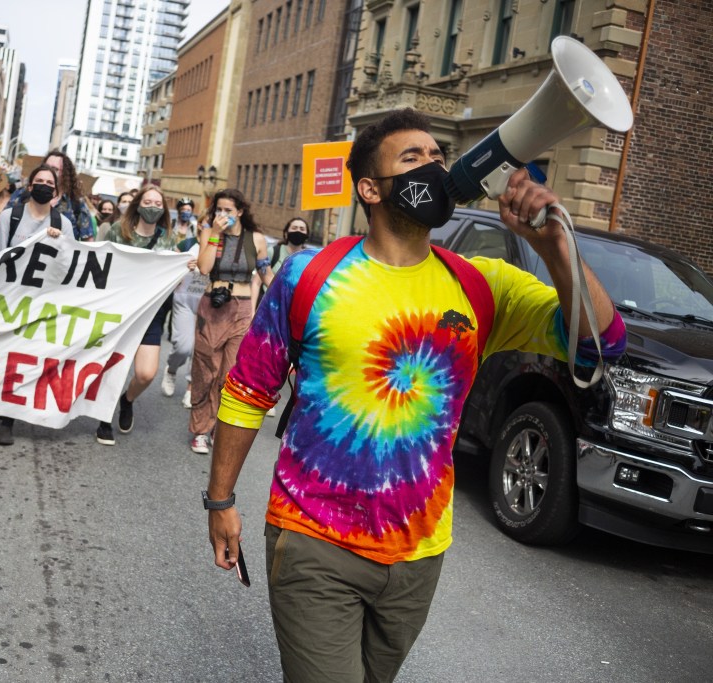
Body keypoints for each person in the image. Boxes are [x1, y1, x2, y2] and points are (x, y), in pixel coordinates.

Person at [204, 109, 626, 682]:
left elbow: (603, 343)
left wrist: (555, 245)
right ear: (370, 188)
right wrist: (220, 501)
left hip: (418, 557)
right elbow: (248, 391)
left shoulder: (480, 285)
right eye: (412, 157)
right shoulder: (309, 274)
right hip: (312, 540)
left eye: (437, 157)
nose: (433, 166)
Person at [0, 165, 73, 446]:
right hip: (10, 299)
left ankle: (11, 413)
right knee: (8, 355)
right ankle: (4, 412)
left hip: (43, 302)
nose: (44, 186)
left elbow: (69, 268)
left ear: (56, 192)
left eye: (49, 183)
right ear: (29, 186)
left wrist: (59, 243)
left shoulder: (64, 224)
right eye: (39, 181)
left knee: (29, 357)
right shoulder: (10, 217)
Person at [188, 188, 274, 455]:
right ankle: (200, 429)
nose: (222, 214)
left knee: (229, 374)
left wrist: (284, 294)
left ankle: (217, 426)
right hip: (211, 308)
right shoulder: (209, 232)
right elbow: (204, 268)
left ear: (240, 212)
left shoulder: (256, 239)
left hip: (241, 309)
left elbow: (265, 273)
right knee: (205, 370)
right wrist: (215, 232)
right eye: (219, 209)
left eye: (228, 210)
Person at [96, 184, 181, 446]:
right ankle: (103, 417)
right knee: (114, 367)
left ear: (163, 209)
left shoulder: (169, 239)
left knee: (146, 374)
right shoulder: (118, 231)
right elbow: (100, 262)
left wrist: (182, 267)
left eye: (158, 203)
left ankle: (127, 399)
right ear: (138, 205)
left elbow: (175, 280)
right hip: (119, 309)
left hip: (151, 313)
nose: (152, 207)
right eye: (148, 202)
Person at [160, 228, 208, 409]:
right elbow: (169, 267)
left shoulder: (220, 246)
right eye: (204, 223)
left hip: (207, 304)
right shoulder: (187, 244)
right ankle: (171, 369)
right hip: (185, 301)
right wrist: (182, 267)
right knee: (183, 347)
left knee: (200, 349)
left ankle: (190, 387)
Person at [44, 149, 96, 241]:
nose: (49, 171)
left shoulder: (75, 202)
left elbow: (88, 239)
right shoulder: (28, 196)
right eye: (46, 167)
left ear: (65, 173)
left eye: (55, 169)